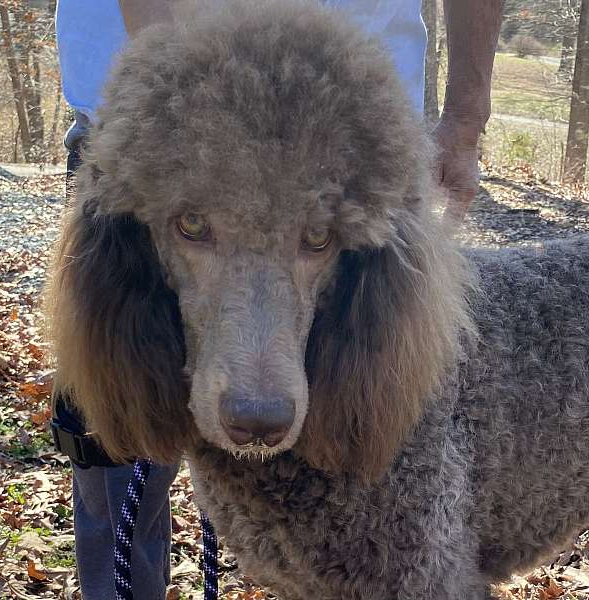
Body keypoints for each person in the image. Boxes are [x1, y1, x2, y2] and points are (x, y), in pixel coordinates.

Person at [52, 1, 503, 598]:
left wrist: (466, 119)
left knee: (371, 518)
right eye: (196, 230)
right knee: (119, 442)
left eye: (310, 243)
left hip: (358, 145)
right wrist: (181, 90)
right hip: (142, 132)